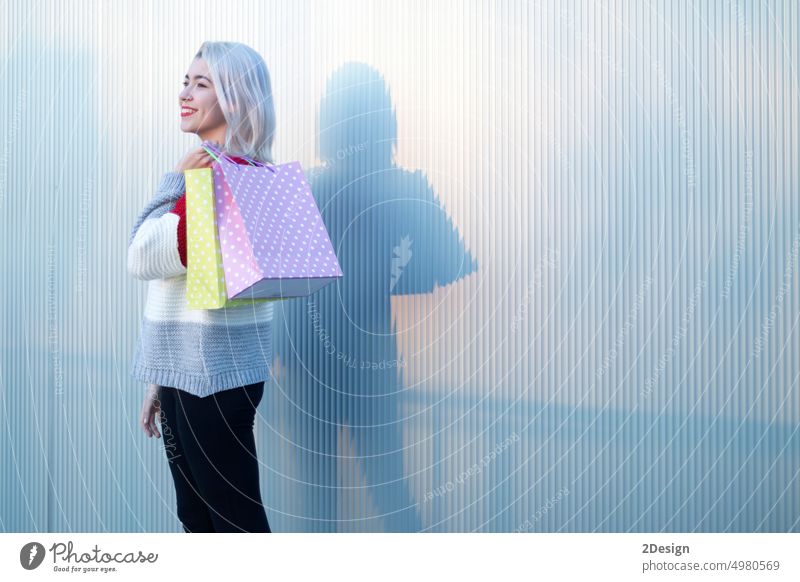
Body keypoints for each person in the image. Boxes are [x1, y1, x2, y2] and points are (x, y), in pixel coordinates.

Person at [127, 41, 277, 533]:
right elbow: (184, 280)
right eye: (185, 81)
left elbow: (142, 256)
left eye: (202, 84)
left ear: (234, 99)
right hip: (197, 374)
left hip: (207, 379)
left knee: (229, 524)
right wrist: (161, 380)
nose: (185, 94)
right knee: (206, 516)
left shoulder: (209, 178)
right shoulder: (251, 173)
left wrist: (174, 181)